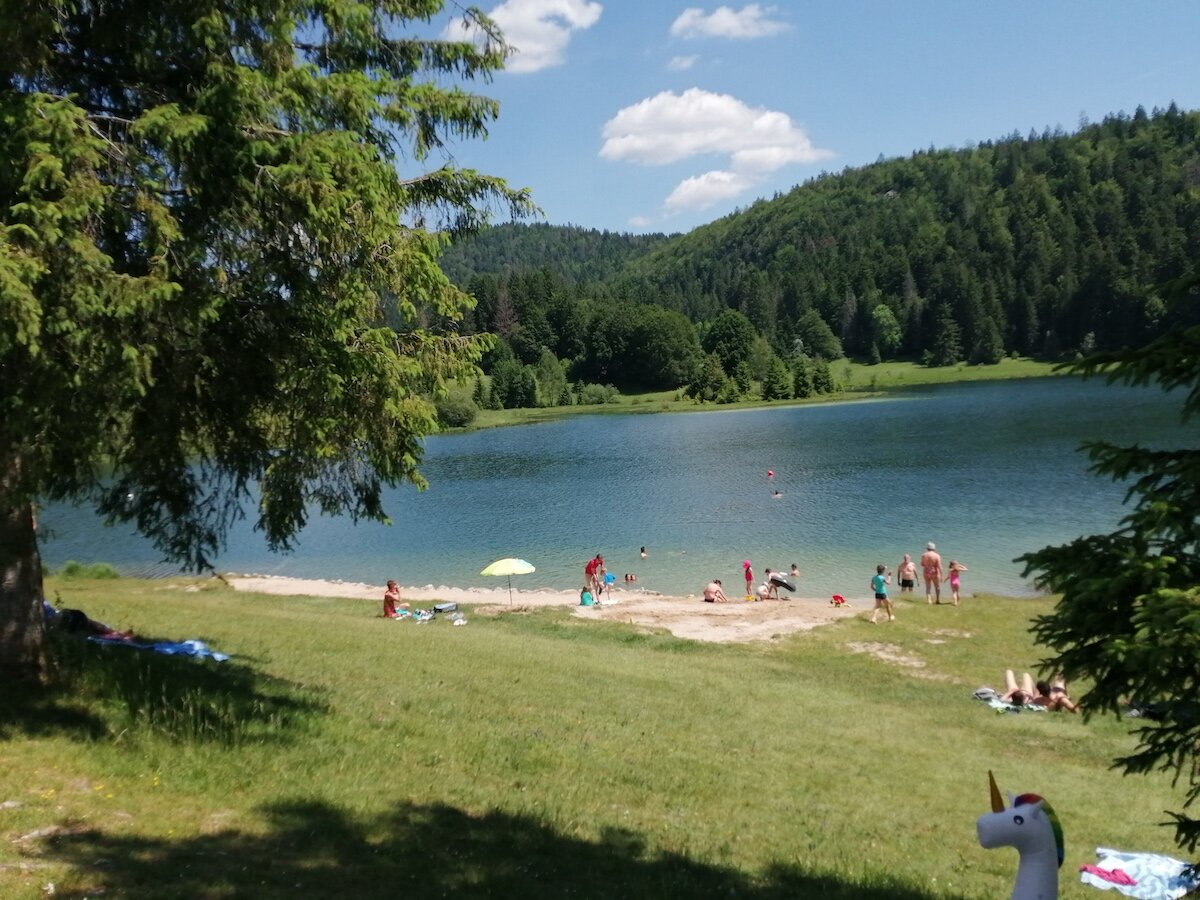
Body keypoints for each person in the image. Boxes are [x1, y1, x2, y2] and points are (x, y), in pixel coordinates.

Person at [1000, 670, 1079, 712]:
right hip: (1029, 695)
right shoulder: (1058, 697)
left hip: (1027, 695)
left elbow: (1074, 710)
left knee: (1020, 674)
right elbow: (1074, 710)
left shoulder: (1039, 700)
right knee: (1060, 679)